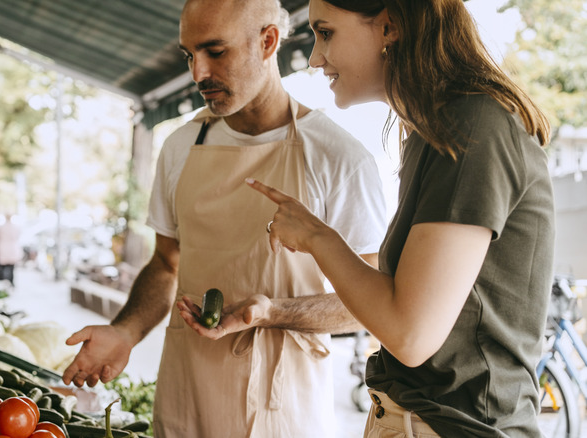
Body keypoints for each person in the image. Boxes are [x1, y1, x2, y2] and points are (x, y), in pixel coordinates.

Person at [62, 0, 387, 436]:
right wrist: (125, 331)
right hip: (185, 396)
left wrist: (273, 312)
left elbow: (372, 306)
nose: (198, 74)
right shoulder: (180, 146)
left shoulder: (338, 157)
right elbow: (165, 264)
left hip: (281, 408)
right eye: (189, 55)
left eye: (216, 51)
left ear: (268, 41)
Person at [243, 0, 555, 436]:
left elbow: (410, 335)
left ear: (390, 26)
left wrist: (317, 237)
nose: (314, 58)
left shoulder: (472, 125)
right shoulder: (431, 132)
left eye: (326, 32)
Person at [0, 213, 22, 286]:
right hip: (12, 249)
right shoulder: (15, 227)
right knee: (11, 268)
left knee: (1, 268)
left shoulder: (1, 227)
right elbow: (17, 236)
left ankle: (0, 282)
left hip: (3, 248)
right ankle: (11, 282)